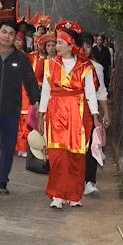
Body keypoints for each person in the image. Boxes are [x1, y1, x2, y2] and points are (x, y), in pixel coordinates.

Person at [38, 27, 100, 209]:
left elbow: (90, 93)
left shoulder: (84, 66)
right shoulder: (50, 64)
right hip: (56, 112)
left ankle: (73, 194)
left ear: (70, 45)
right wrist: (41, 114)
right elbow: (45, 92)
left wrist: (95, 116)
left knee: (76, 155)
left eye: (59, 42)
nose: (56, 46)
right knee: (57, 155)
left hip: (78, 113)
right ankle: (57, 194)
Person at [0, 19, 41, 197]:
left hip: (11, 110)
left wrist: (36, 102)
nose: (7, 36)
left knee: (8, 146)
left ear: (15, 37)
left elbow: (30, 82)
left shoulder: (21, 58)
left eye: (11, 33)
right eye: (4, 32)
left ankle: (2, 180)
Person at [80, 32, 111, 196]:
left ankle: (89, 181)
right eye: (80, 45)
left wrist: (105, 114)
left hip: (90, 114)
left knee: (91, 146)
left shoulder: (96, 68)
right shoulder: (65, 66)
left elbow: (101, 92)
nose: (83, 49)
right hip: (68, 113)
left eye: (86, 45)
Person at [13, 33, 32, 157]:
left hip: (24, 91)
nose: (17, 42)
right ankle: (15, 146)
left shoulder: (27, 57)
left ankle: (23, 147)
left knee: (24, 121)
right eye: (15, 40)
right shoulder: (6, 55)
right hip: (11, 91)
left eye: (20, 40)